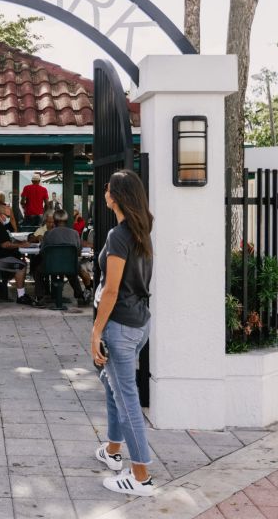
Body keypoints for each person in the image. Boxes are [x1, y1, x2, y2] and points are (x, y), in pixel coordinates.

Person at [91, 170, 155, 497]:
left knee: (126, 395)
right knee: (112, 383)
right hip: (140, 322)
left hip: (120, 325)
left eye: (108, 188)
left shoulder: (119, 235)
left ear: (116, 196)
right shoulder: (141, 229)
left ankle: (140, 474)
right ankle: (114, 450)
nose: (104, 192)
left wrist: (96, 331)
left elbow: (112, 290)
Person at [35, 209, 89, 309]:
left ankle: (40, 297)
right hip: (70, 267)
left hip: (50, 267)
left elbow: (42, 252)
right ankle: (80, 296)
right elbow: (78, 252)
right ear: (67, 220)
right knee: (71, 271)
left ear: (54, 221)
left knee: (38, 272)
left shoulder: (48, 234)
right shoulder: (75, 234)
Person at [0, 204, 36, 305]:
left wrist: (20, 242)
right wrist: (21, 244)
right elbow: (5, 244)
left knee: (21, 262)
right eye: (7, 216)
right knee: (21, 266)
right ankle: (21, 296)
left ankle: (21, 294)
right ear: (0, 214)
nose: (8, 218)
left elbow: (8, 240)